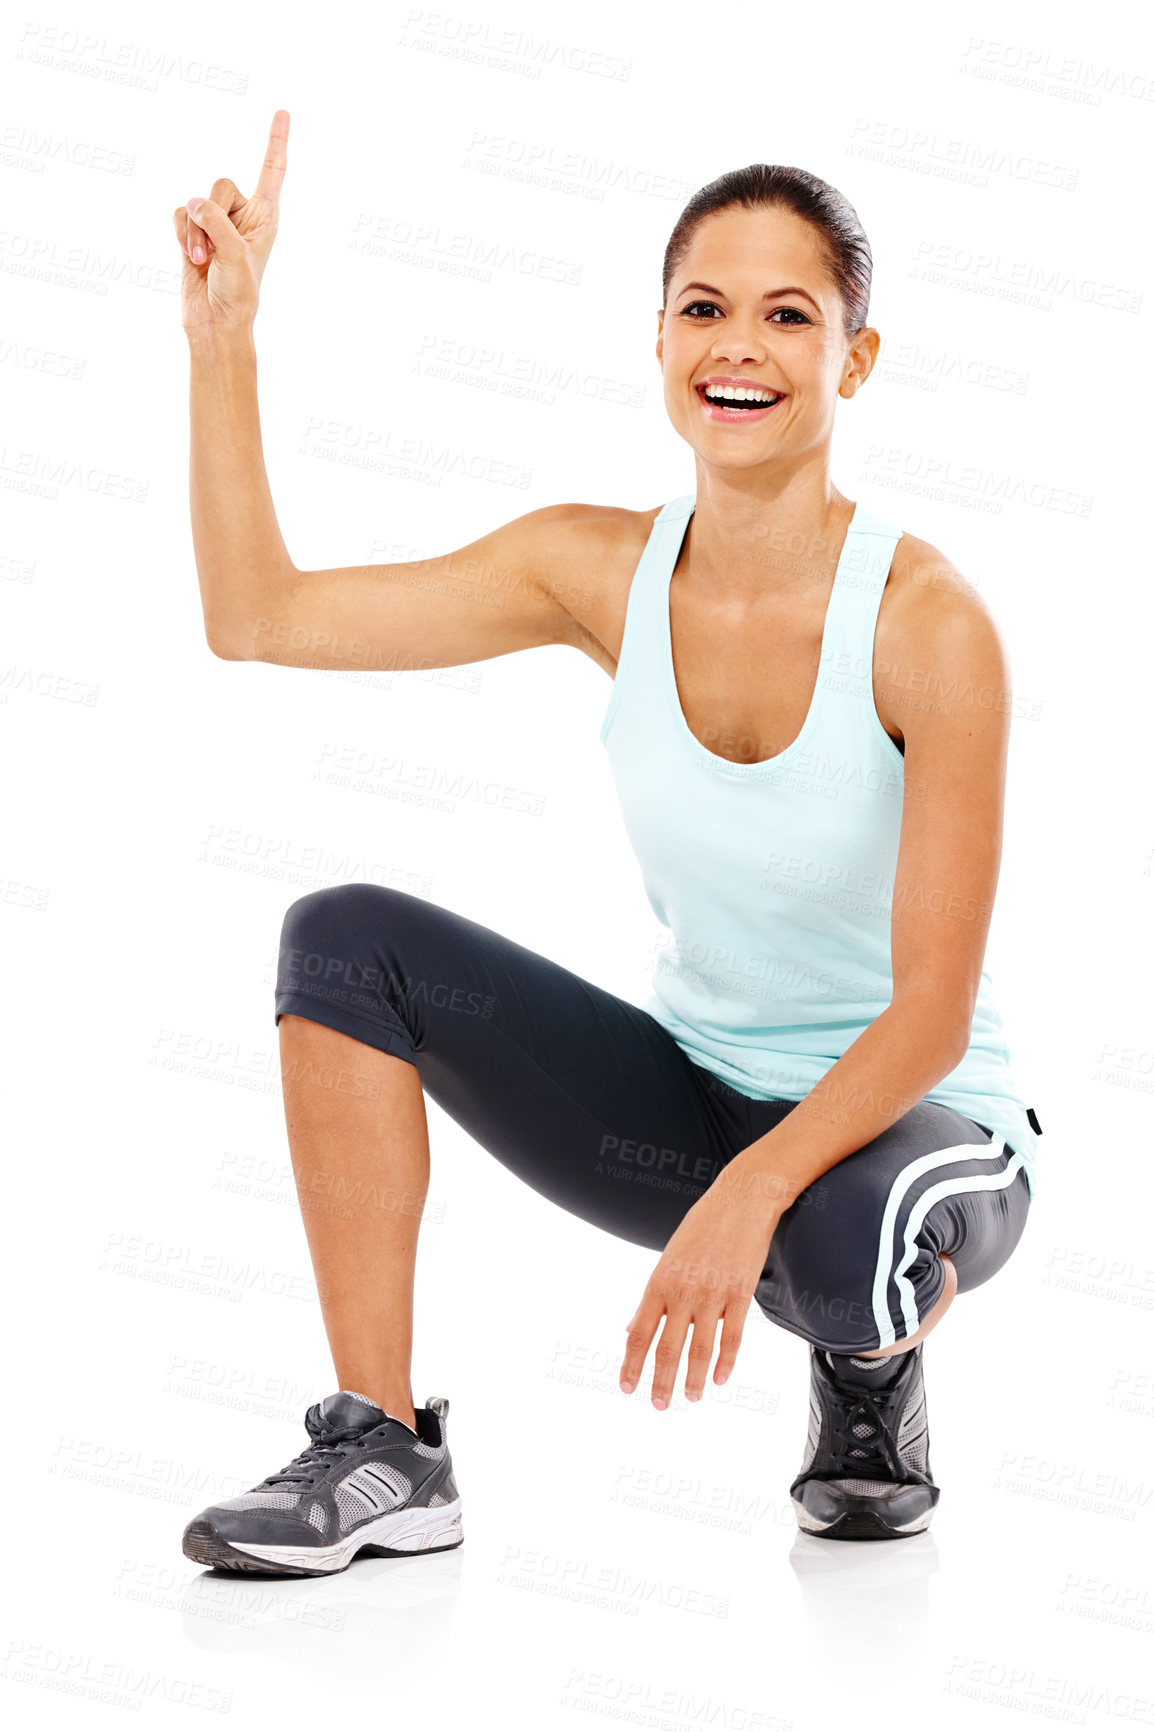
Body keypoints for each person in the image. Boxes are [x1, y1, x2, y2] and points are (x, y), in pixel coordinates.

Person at [172, 112, 1042, 1573]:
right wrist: (223, 343)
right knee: (342, 939)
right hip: (699, 1096)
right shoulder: (592, 570)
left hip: (919, 1120)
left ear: (857, 358)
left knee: (838, 1261)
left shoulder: (925, 626)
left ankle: (867, 1371)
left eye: (789, 313)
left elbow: (931, 1010)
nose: (739, 347)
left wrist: (755, 1194)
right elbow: (260, 617)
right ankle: (381, 1443)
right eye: (704, 307)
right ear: (657, 343)